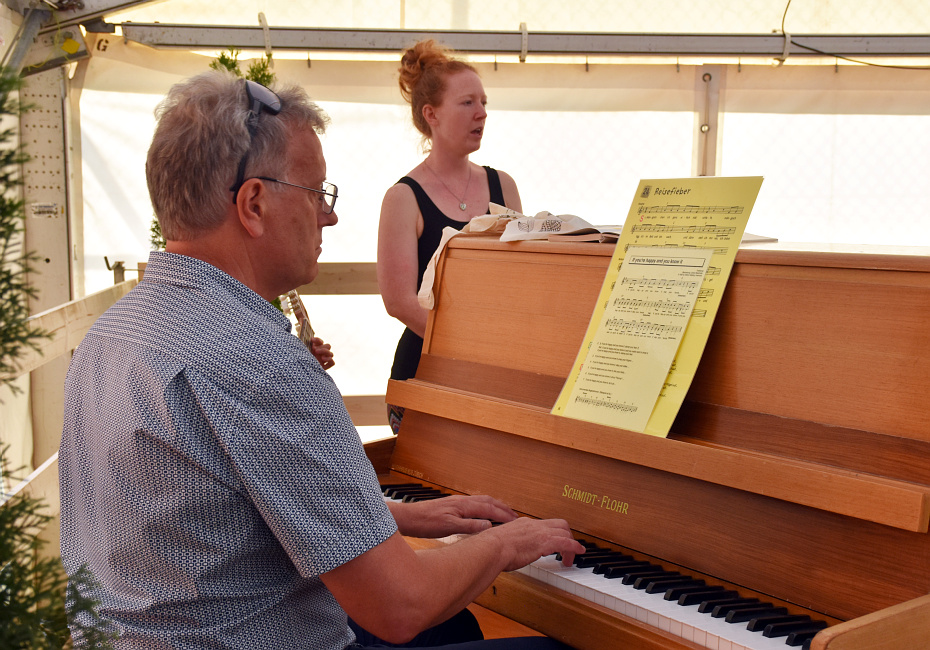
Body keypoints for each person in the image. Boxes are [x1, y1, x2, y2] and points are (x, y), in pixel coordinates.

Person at [58, 70, 582, 650]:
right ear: (253, 204)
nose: (328, 218)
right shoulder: (252, 356)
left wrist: (396, 516)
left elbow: (215, 514)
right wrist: (511, 541)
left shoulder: (111, 334)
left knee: (458, 624)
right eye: (317, 194)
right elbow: (401, 605)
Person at [378, 40, 522, 433]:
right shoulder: (403, 197)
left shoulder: (503, 185)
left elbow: (522, 278)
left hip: (493, 372)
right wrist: (471, 348)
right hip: (423, 371)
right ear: (432, 114)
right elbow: (399, 301)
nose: (482, 113)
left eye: (484, 102)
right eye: (467, 103)